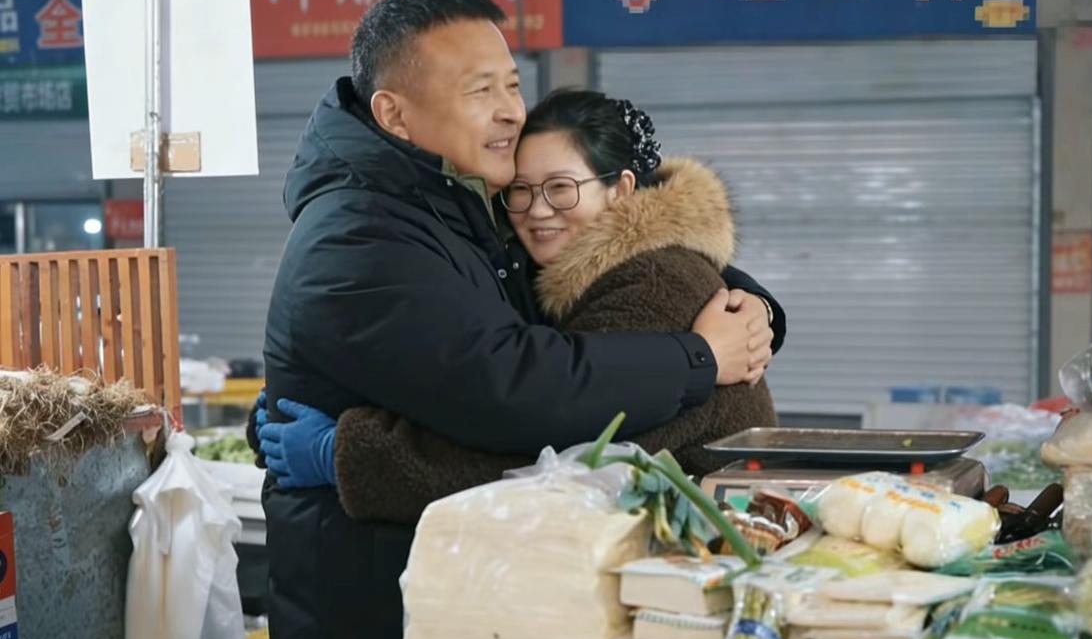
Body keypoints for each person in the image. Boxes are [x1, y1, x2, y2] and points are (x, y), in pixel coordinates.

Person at [256, 0, 786, 639]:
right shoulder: (364, 233)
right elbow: (518, 389)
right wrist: (697, 355)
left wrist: (754, 308)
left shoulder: (454, 198)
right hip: (371, 635)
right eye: (481, 90)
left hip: (468, 609)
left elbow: (636, 266)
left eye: (511, 83)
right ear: (395, 113)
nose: (510, 110)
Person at [259, 89, 779, 525]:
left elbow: (554, 460)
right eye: (521, 191)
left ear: (621, 189)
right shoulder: (556, 272)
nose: (537, 211)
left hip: (694, 554)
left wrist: (347, 456)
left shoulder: (654, 283)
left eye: (561, 188)